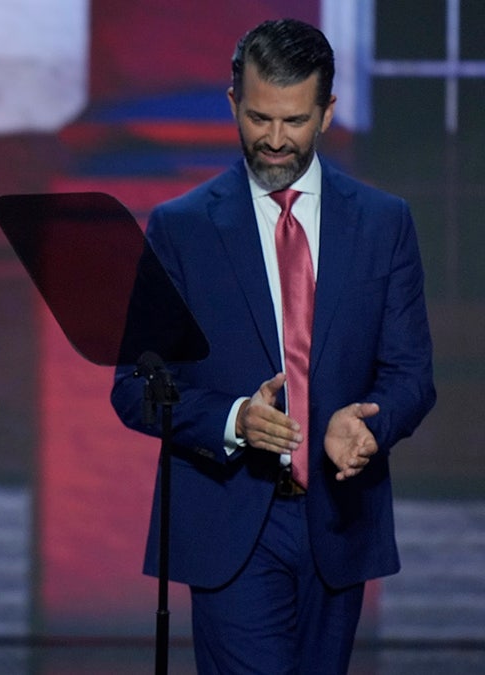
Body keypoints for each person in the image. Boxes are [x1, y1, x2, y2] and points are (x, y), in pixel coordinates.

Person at [110, 19, 436, 673]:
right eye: (259, 117)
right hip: (232, 521)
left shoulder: (383, 223)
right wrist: (234, 419)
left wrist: (369, 422)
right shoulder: (181, 228)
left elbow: (411, 375)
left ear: (327, 112)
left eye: (294, 120)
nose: (276, 139)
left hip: (337, 523)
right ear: (234, 103)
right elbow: (134, 387)